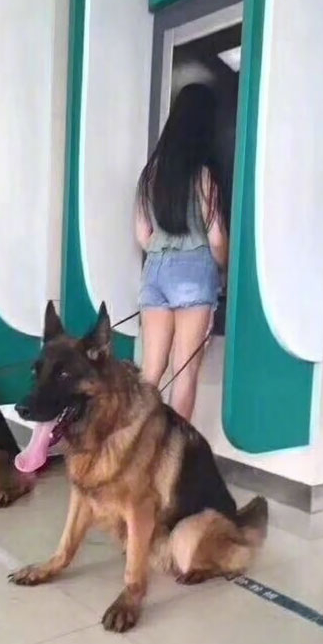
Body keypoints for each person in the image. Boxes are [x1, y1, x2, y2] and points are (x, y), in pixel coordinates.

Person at [135, 83, 228, 421]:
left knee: (150, 374)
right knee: (184, 372)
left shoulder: (151, 174)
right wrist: (225, 268)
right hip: (194, 272)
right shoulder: (204, 177)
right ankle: (175, 450)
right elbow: (216, 238)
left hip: (154, 272)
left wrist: (165, 252)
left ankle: (136, 444)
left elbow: (142, 235)